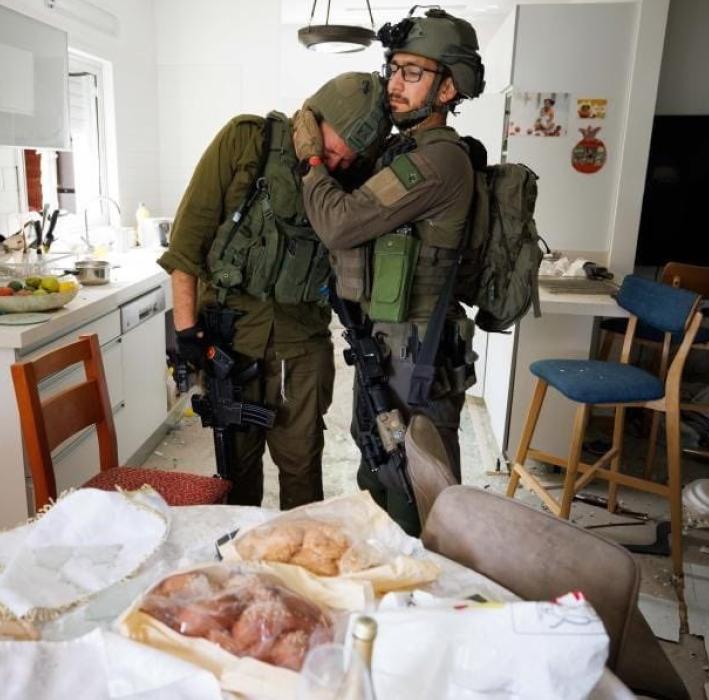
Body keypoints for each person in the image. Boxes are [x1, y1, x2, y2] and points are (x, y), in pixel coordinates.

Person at [158, 72, 391, 509]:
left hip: (301, 347)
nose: (338, 166)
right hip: (231, 344)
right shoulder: (247, 141)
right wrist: (188, 335)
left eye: (350, 159)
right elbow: (187, 245)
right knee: (236, 474)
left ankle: (298, 571)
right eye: (335, 151)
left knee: (302, 471)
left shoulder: (351, 177)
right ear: (313, 120)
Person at [292, 8, 486, 534]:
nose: (395, 85)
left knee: (421, 491)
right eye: (394, 69)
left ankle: (431, 598)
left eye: (414, 73)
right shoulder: (404, 149)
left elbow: (339, 223)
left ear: (448, 90)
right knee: (379, 471)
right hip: (388, 345)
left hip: (415, 357)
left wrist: (313, 162)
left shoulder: (438, 160)